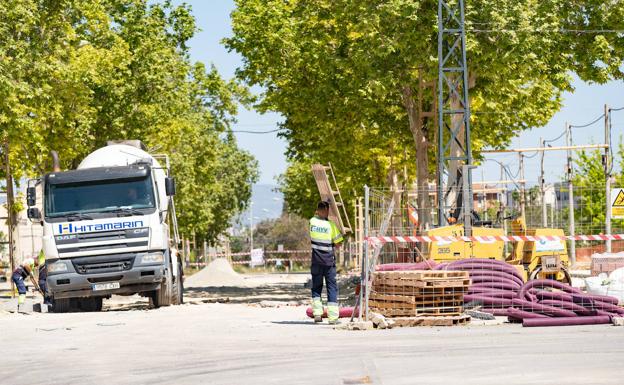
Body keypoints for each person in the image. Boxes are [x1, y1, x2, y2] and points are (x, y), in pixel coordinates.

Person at [309, 200, 344, 324]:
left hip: (316, 262)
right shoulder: (331, 225)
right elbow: (339, 243)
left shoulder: (312, 222)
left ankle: (317, 314)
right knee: (331, 288)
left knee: (316, 288)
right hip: (328, 262)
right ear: (327, 211)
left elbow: (315, 216)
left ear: (318, 210)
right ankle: (333, 317)